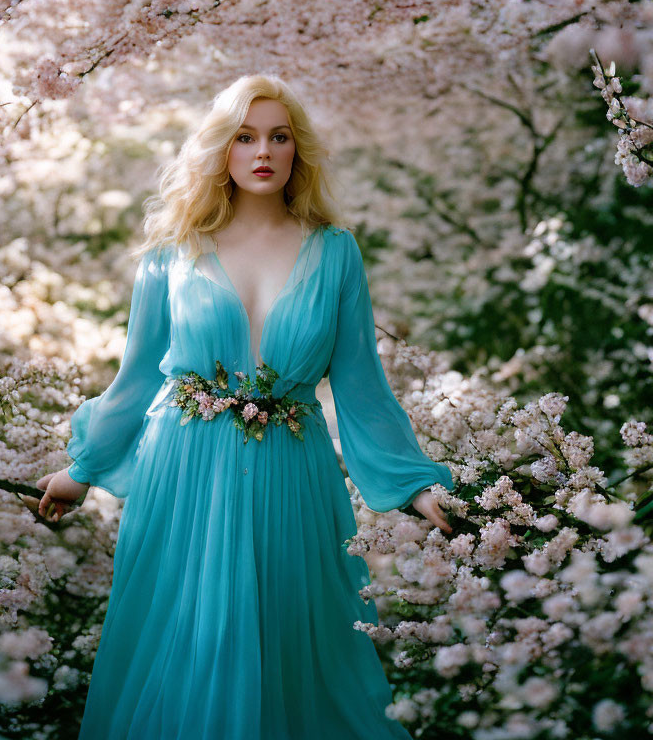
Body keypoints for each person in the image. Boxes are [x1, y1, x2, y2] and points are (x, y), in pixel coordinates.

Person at [36, 75, 454, 739]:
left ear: (297, 151)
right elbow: (139, 373)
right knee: (189, 645)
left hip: (295, 478)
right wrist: (83, 469)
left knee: (293, 650)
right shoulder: (173, 252)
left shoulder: (335, 252)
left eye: (279, 136)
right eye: (245, 136)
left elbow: (361, 385)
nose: (263, 150)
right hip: (182, 475)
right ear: (221, 151)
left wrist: (419, 488)